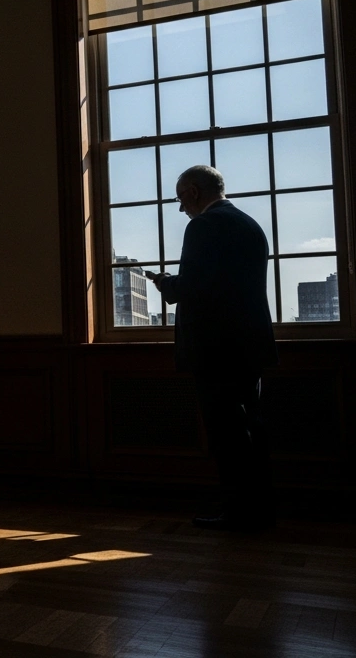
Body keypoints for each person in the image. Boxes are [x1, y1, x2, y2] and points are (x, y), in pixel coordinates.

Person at [146, 165, 277, 531]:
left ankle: (238, 513)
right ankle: (258, 509)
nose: (180, 209)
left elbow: (200, 287)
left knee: (226, 434)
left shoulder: (203, 226)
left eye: (179, 199)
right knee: (250, 428)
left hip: (215, 347)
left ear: (192, 191)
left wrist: (168, 285)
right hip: (248, 345)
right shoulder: (250, 225)